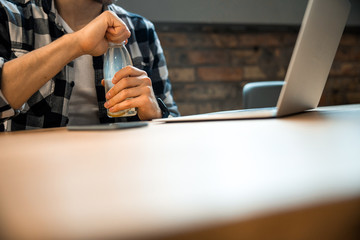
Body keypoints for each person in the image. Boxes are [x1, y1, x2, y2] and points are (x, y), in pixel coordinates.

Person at [0, 0, 179, 131]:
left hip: (121, 172)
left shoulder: (141, 30)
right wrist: (75, 43)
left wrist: (156, 113)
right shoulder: (9, 17)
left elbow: (174, 125)